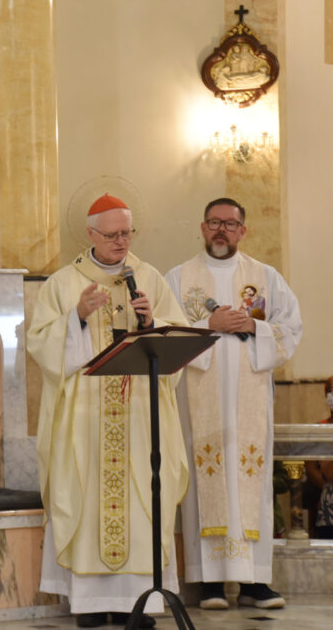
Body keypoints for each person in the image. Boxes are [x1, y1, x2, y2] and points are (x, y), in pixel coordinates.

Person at [27, 193, 189, 628]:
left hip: (139, 413)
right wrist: (76, 317)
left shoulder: (150, 279)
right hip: (86, 420)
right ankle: (91, 603)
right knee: (84, 498)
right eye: (113, 234)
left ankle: (139, 602)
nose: (122, 241)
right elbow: (40, 344)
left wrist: (151, 324)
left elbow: (176, 346)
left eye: (128, 233)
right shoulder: (63, 283)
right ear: (91, 234)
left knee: (143, 500)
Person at [165, 197, 302, 611]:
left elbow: (291, 327)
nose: (221, 230)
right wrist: (208, 324)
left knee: (251, 486)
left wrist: (254, 326)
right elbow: (163, 329)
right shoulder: (178, 277)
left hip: (249, 402)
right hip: (198, 399)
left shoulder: (266, 277)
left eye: (230, 223)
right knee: (203, 483)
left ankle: (255, 583)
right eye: (213, 223)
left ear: (244, 230)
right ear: (202, 228)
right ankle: (208, 584)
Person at [305, 377, 333, 538]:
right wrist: (327, 488)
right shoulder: (319, 429)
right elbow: (310, 467)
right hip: (327, 496)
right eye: (330, 392)